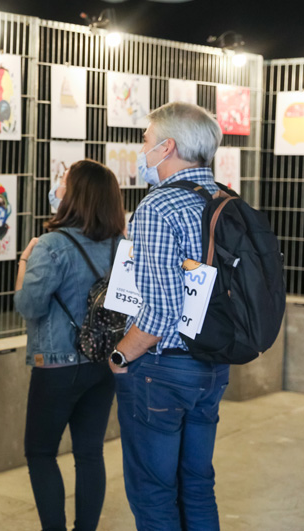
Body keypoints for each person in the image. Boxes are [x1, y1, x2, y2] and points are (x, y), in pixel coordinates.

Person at [108, 101, 229, 530]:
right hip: (212, 366)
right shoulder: (223, 200)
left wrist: (120, 356)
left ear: (168, 147)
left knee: (154, 492)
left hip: (162, 371)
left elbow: (160, 314)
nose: (142, 150)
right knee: (197, 485)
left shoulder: (158, 208)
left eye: (146, 141)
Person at [14, 159, 125, 531]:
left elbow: (29, 306)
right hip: (104, 361)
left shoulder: (51, 245)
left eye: (63, 182)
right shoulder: (121, 246)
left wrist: (24, 261)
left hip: (57, 365)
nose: (57, 188)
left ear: (75, 195)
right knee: (90, 453)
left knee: (40, 452)